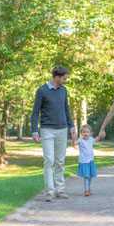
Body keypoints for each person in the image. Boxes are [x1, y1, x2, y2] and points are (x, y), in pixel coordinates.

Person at [31, 65, 77, 202]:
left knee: (60, 161)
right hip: (47, 130)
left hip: (62, 130)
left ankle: (59, 189)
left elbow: (66, 109)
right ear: (57, 77)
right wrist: (34, 130)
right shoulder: (42, 91)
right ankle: (49, 191)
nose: (65, 81)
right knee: (49, 160)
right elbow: (35, 112)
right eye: (64, 78)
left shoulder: (63, 90)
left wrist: (72, 126)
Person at [72, 124, 102, 196]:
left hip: (90, 160)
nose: (85, 133)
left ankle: (88, 188)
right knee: (86, 176)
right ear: (81, 133)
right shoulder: (80, 140)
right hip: (84, 161)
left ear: (90, 133)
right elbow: (74, 144)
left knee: (90, 176)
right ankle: (86, 190)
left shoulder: (91, 139)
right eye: (84, 132)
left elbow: (96, 139)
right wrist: (73, 139)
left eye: (87, 132)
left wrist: (100, 136)